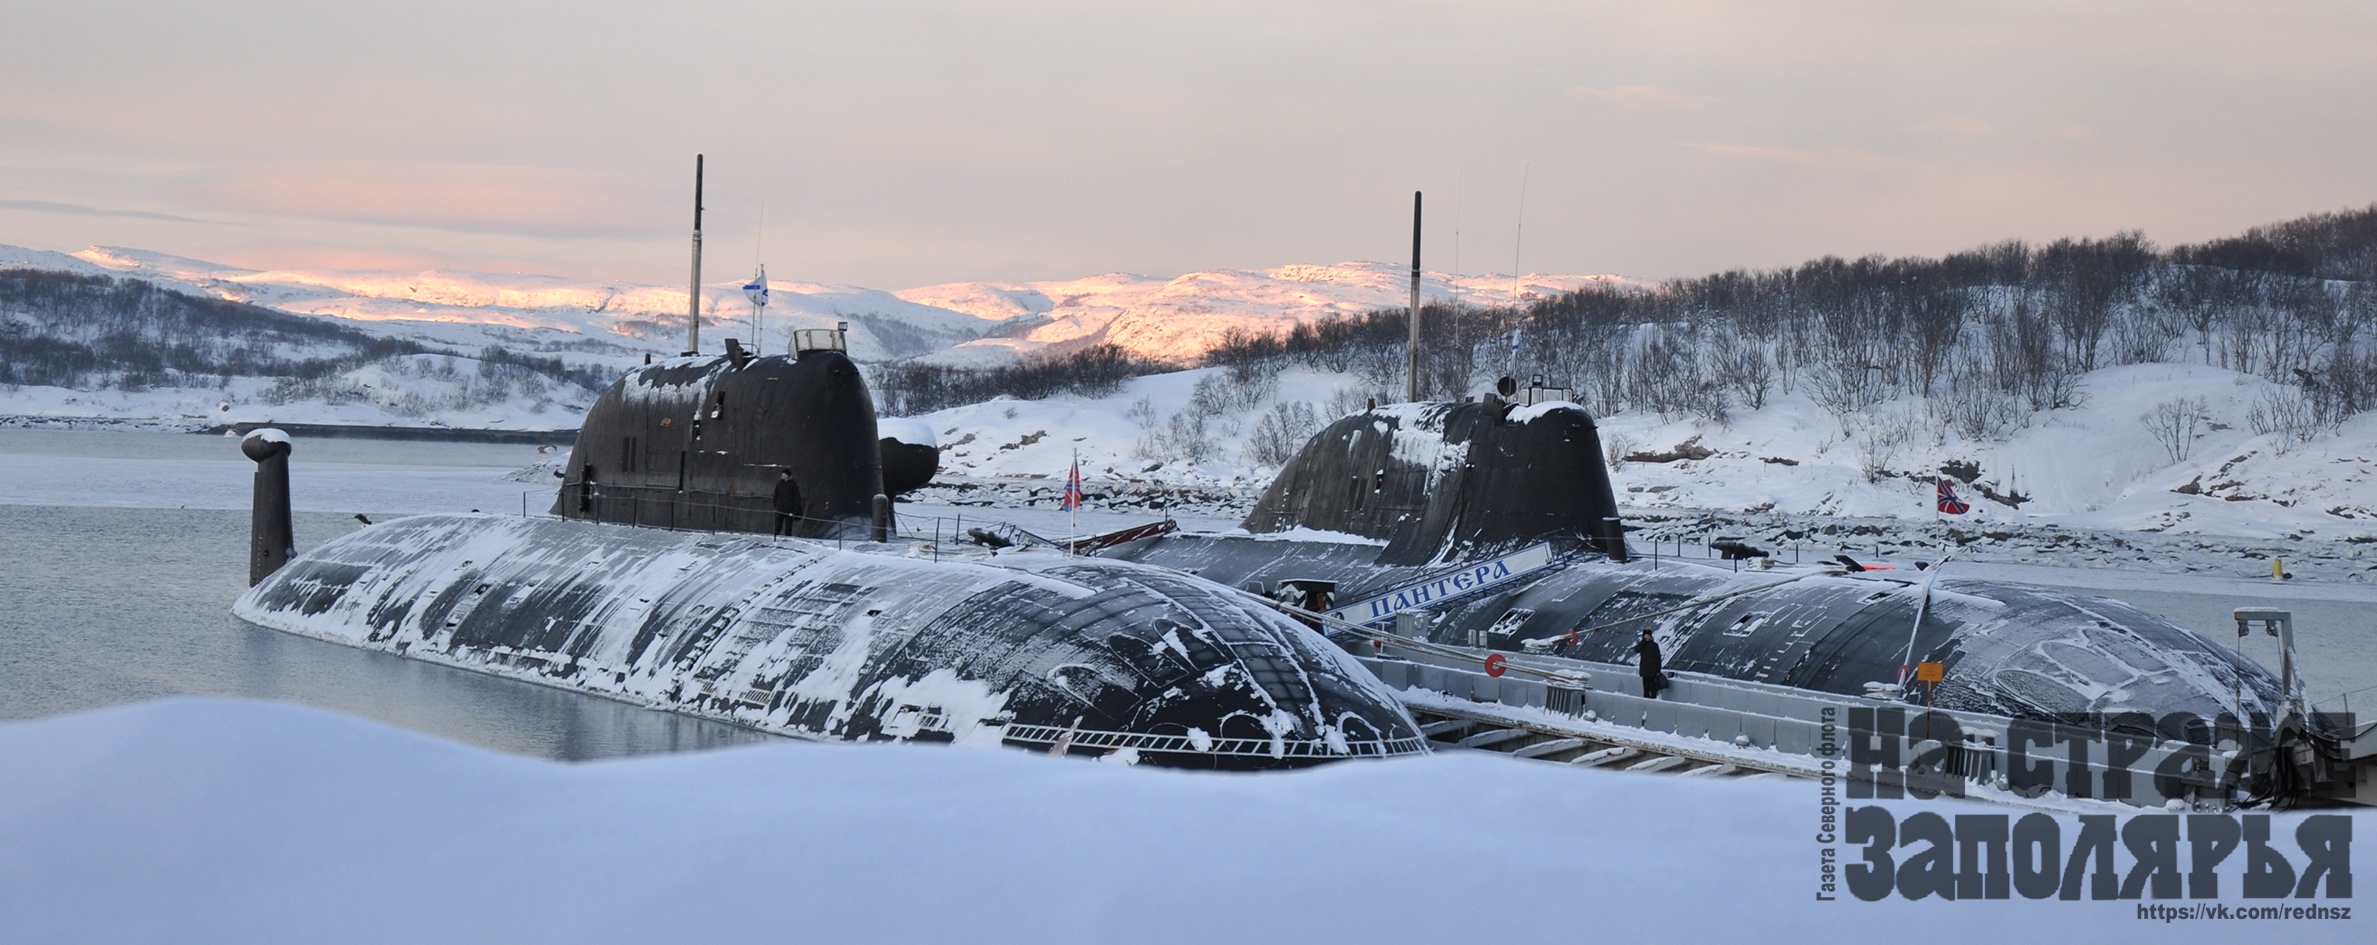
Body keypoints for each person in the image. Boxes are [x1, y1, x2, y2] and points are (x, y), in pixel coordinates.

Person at [1634, 628, 1668, 698]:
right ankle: (1646, 700)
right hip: (1645, 670)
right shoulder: (1642, 645)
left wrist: (1658, 670)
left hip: (1653, 671)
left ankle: (1653, 699)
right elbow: (1636, 649)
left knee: (1653, 689)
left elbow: (1658, 658)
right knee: (1646, 689)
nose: (1647, 637)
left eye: (1648, 636)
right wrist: (1643, 641)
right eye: (1645, 636)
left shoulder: (1654, 645)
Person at [772, 469, 802, 536]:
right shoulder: (779, 484)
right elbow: (776, 494)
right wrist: (774, 503)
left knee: (788, 526)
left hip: (789, 508)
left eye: (783, 474)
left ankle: (788, 536)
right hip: (780, 507)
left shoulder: (793, 484)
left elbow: (797, 495)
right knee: (778, 524)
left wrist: (797, 506)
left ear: (787, 476)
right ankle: (776, 536)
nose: (781, 476)